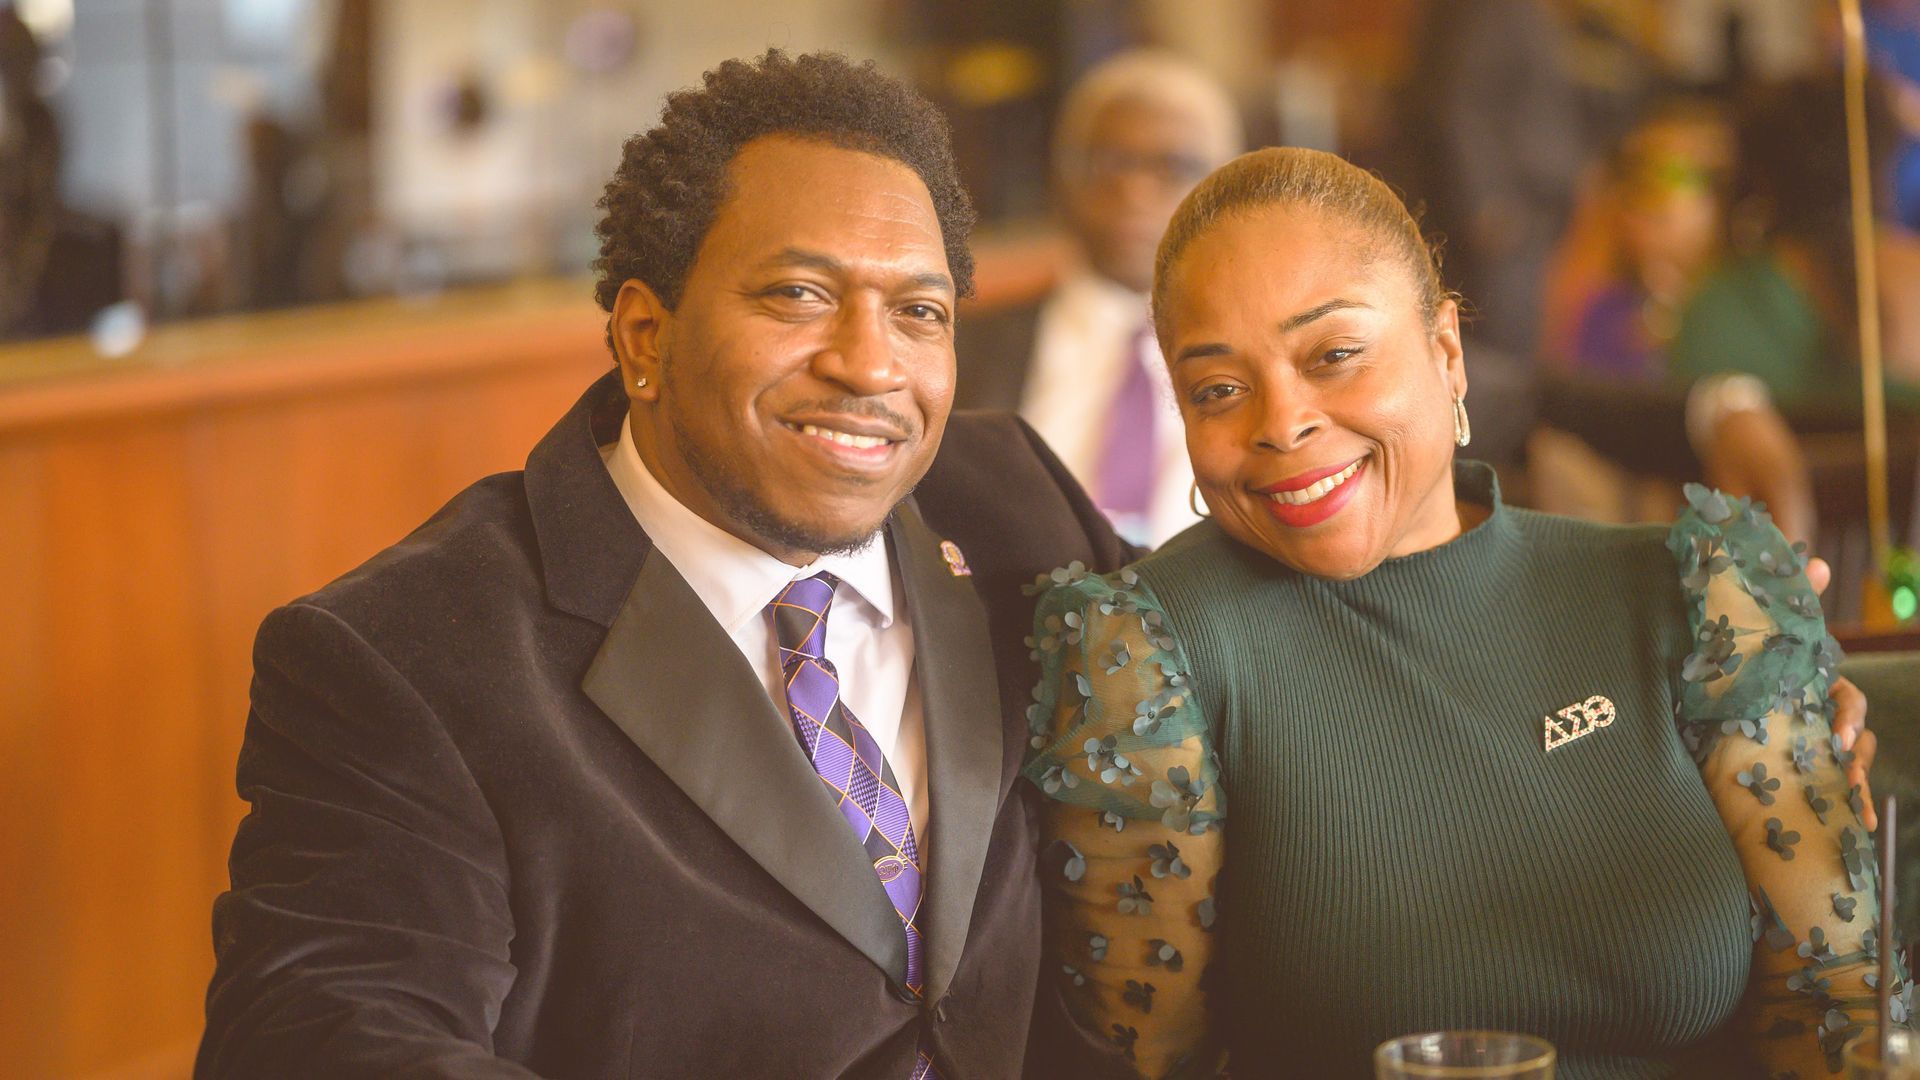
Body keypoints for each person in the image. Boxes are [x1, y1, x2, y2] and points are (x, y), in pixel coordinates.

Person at [195, 50, 1134, 1078]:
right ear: (645, 334)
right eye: (799, 295)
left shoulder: (1010, 507)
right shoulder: (408, 656)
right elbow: (327, 1043)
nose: (871, 365)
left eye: (920, 311)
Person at [1022, 147, 1907, 1078]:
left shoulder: (1698, 595)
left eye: (1334, 356)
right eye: (1220, 390)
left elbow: (1841, 1014)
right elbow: (1144, 1068)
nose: (1280, 424)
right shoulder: (1149, 656)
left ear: (1447, 351)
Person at [955, 50, 1243, 546]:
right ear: (1062, 175)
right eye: (1110, 160)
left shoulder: (1262, 357)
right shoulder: (962, 347)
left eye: (1171, 165)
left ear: (1224, 186)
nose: (1131, 190)